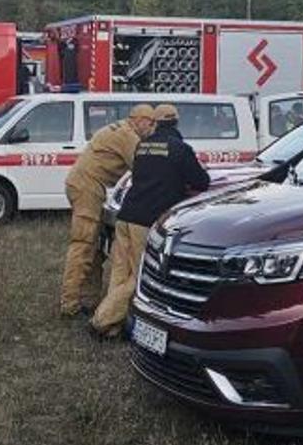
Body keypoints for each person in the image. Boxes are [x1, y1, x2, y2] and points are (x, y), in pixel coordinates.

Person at [92, 103, 210, 340]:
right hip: (146, 221)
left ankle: (116, 327)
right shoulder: (180, 148)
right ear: (176, 122)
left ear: (156, 123)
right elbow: (201, 182)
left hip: (125, 217)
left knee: (119, 272)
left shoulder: (143, 146)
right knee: (139, 277)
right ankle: (101, 321)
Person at [59, 104, 157, 317]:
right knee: (83, 244)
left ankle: (89, 299)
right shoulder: (128, 137)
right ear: (139, 120)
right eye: (150, 123)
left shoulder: (119, 128)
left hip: (85, 184)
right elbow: (144, 166)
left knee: (94, 247)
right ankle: (70, 304)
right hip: (88, 186)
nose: (152, 129)